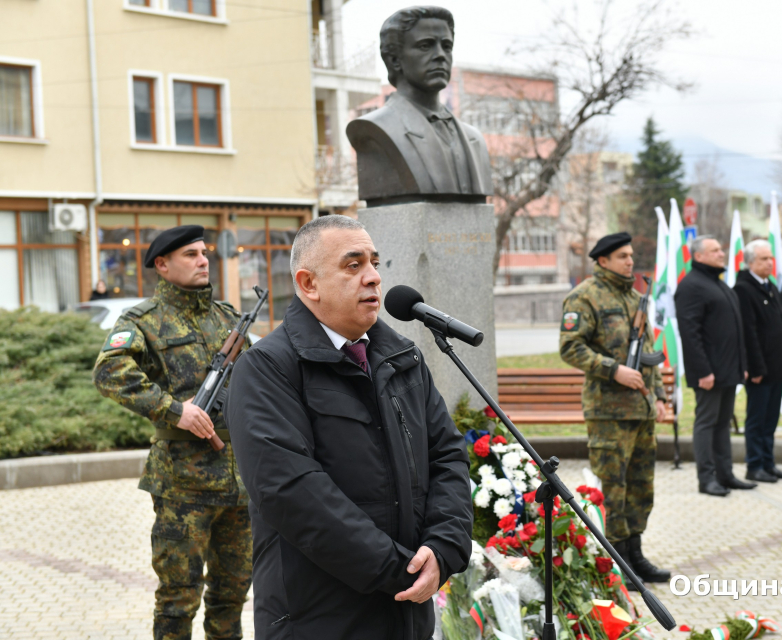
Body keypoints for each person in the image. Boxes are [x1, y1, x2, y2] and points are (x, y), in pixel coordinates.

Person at [225, 215, 472, 639]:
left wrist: (443, 548)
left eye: (375, 263)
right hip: (318, 617)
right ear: (309, 284)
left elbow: (446, 455)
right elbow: (290, 490)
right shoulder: (268, 368)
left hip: (406, 614)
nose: (374, 278)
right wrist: (399, 570)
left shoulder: (403, 358)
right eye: (353, 265)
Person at [93, 226, 251, 640]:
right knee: (178, 601)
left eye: (204, 253)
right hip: (183, 484)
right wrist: (173, 411)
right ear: (162, 266)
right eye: (190, 255)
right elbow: (109, 372)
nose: (203, 260)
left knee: (232, 596)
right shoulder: (143, 321)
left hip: (238, 484)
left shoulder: (228, 318)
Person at [560, 232, 671, 583]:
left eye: (631, 255)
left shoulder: (636, 297)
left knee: (641, 485)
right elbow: (570, 347)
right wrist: (614, 370)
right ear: (603, 260)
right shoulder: (585, 296)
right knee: (613, 487)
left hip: (640, 409)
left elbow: (648, 355)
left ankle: (635, 555)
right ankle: (616, 561)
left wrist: (661, 397)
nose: (629, 261)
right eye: (622, 256)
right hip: (608, 411)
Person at [346, 7, 493, 203]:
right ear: (395, 60)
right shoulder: (373, 130)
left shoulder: (474, 139)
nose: (441, 55)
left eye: (447, 46)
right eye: (426, 46)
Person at [675, 236, 753, 496]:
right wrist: (702, 371)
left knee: (723, 423)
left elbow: (735, 329)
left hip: (728, 369)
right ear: (698, 256)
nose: (722, 253)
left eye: (721, 249)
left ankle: (725, 474)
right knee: (707, 422)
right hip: (709, 372)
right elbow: (690, 333)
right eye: (716, 250)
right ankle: (706, 479)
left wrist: (741, 363)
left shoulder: (718, 284)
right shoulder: (691, 286)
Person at [733, 239, 782, 483]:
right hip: (761, 369)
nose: (769, 263)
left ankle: (769, 463)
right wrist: (755, 367)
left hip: (778, 366)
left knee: (771, 419)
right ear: (750, 262)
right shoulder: (744, 289)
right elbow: (749, 332)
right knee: (757, 419)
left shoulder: (771, 286)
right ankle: (754, 465)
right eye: (763, 259)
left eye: (770, 258)